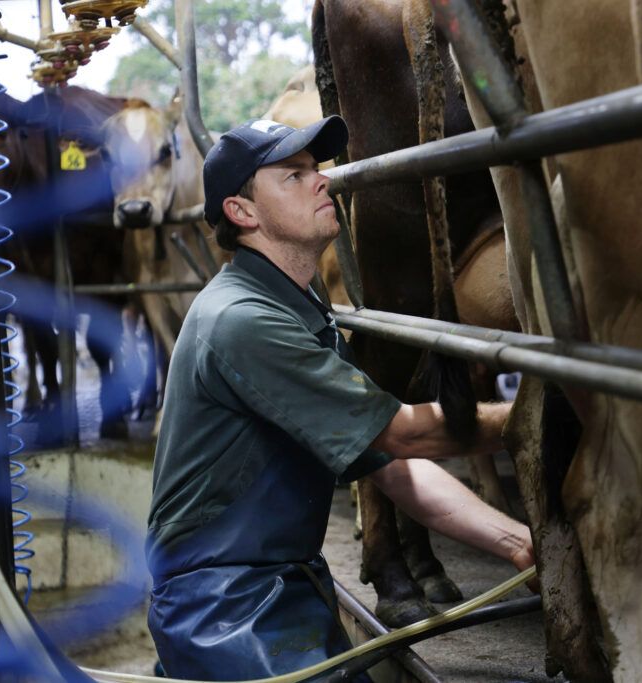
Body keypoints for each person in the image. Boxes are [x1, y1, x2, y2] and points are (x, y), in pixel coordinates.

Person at [144, 115, 534, 680]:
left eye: (317, 168)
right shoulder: (243, 320)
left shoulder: (298, 309)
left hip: (280, 588)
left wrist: (516, 540)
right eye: (294, 175)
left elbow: (393, 464)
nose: (323, 180)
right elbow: (405, 432)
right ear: (243, 212)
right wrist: (541, 411)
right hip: (224, 608)